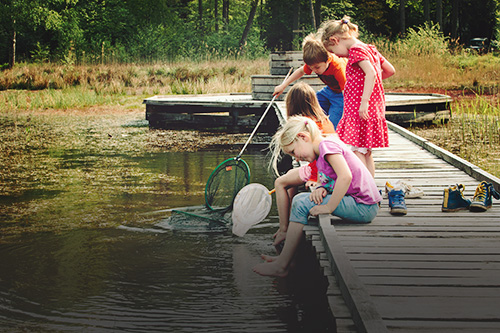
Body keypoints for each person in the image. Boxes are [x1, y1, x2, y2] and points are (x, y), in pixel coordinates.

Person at [253, 116, 381, 277]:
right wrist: (322, 188)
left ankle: (282, 265)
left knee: (300, 202)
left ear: (303, 137)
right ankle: (286, 259)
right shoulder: (321, 151)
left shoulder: (327, 147)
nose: (297, 158)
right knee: (303, 200)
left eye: (294, 152)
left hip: (363, 206)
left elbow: (345, 177)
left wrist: (329, 207)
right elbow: (332, 178)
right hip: (359, 203)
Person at [319, 16, 395, 178]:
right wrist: (371, 87)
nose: (337, 56)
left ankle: (364, 188)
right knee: (365, 150)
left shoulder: (356, 51)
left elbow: (371, 73)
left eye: (332, 51)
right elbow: (389, 70)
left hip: (360, 108)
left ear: (335, 40)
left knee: (356, 150)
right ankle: (371, 187)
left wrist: (364, 101)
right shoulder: (370, 48)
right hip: (372, 107)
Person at [271, 82, 336, 247]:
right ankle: (292, 222)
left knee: (280, 183)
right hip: (319, 168)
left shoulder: (306, 124)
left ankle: (285, 227)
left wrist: (315, 178)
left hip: (317, 170)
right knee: (290, 185)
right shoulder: (325, 120)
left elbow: (319, 158)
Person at [273, 33, 347, 129]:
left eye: (317, 67)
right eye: (311, 68)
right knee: (310, 104)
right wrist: (283, 85)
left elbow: (346, 92)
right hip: (330, 90)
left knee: (334, 122)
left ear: (328, 60)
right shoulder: (316, 62)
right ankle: (309, 129)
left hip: (342, 94)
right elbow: (300, 71)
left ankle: (329, 135)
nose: (314, 70)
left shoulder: (338, 68)